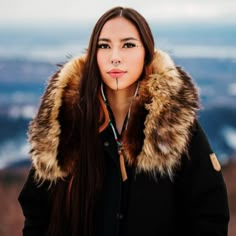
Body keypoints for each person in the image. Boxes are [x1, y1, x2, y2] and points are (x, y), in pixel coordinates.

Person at [18, 6, 229, 236]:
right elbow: (36, 211)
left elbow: (210, 213)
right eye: (104, 46)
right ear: (93, 55)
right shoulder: (65, 123)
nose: (115, 57)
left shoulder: (174, 126)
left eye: (128, 45)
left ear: (146, 53)